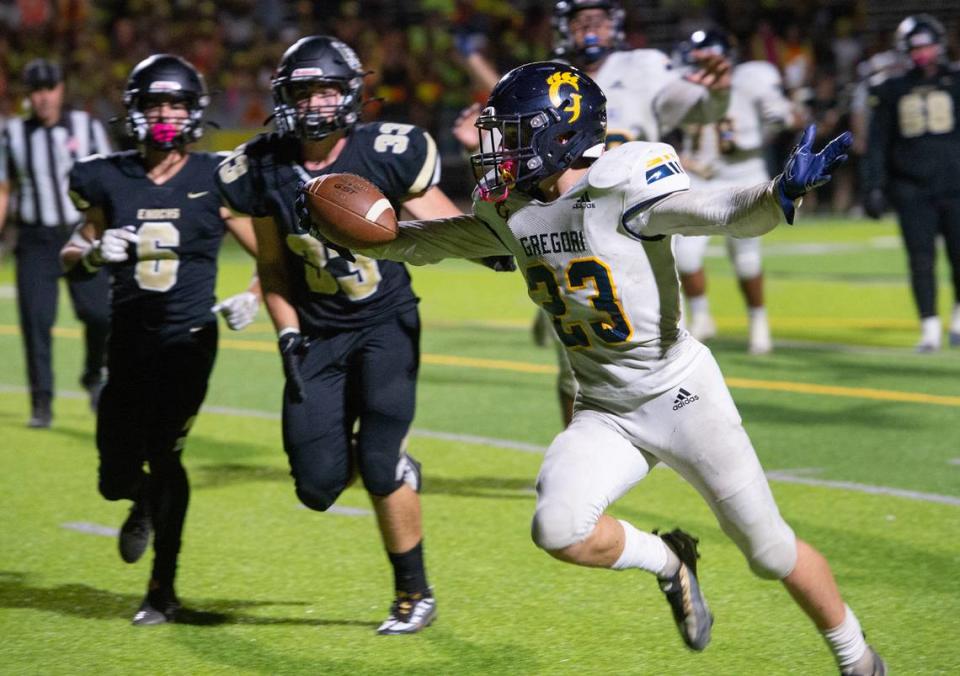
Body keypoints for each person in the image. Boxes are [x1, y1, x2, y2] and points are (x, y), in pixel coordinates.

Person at [305, 62, 885, 675]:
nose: (498, 147)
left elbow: (719, 210)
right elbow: (441, 240)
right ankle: (668, 559)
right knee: (558, 527)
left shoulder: (623, 184)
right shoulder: (509, 208)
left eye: (516, 132)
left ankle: (857, 656)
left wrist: (777, 194)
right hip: (605, 408)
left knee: (768, 551)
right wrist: (368, 237)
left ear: (561, 133)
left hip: (680, 394)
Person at [215, 35, 489, 635]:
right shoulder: (259, 165)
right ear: (284, 96)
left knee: (380, 460)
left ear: (350, 93)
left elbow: (437, 214)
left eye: (327, 89)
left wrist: (488, 243)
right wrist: (286, 334)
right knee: (317, 487)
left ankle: (413, 594)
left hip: (384, 321)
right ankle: (382, 466)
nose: (315, 103)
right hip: (316, 335)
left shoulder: (389, 148)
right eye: (304, 90)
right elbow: (272, 266)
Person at [454, 0, 733, 425]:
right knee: (574, 363)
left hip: (632, 224)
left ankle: (685, 436)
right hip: (567, 225)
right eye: (582, 20)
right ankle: (586, 449)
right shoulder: (546, 77)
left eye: (598, 20)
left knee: (656, 348)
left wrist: (716, 92)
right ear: (565, 27)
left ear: (615, 25)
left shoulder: (643, 66)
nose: (591, 28)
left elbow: (700, 106)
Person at [61, 54, 260, 625]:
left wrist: (250, 292)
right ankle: (140, 498)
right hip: (128, 341)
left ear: (195, 112)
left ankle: (161, 591)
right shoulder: (107, 176)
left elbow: (270, 254)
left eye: (175, 103)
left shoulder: (216, 177)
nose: (166, 114)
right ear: (136, 111)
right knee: (112, 478)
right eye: (155, 103)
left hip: (189, 340)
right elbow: (71, 256)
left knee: (165, 453)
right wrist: (94, 252)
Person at [0, 58, 112, 427]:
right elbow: (3, 190)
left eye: (50, 88)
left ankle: (93, 373)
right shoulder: (11, 134)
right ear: (28, 95)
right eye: (37, 90)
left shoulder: (87, 127)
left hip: (83, 233)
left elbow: (110, 184)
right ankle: (41, 403)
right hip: (35, 239)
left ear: (62, 89)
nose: (44, 97)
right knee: (36, 321)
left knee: (98, 314)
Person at [673, 29, 798, 354]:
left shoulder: (752, 77)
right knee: (684, 253)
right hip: (700, 175)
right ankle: (701, 317)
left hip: (743, 173)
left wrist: (780, 113)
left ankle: (758, 321)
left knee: (745, 259)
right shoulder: (685, 83)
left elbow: (781, 116)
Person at [863, 14, 960, 352]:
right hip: (912, 187)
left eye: (926, 46)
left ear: (939, 46)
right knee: (920, 259)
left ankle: (958, 317)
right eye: (915, 48)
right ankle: (930, 326)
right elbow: (878, 142)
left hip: (955, 183)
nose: (921, 53)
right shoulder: (891, 89)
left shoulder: (955, 81)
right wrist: (873, 185)